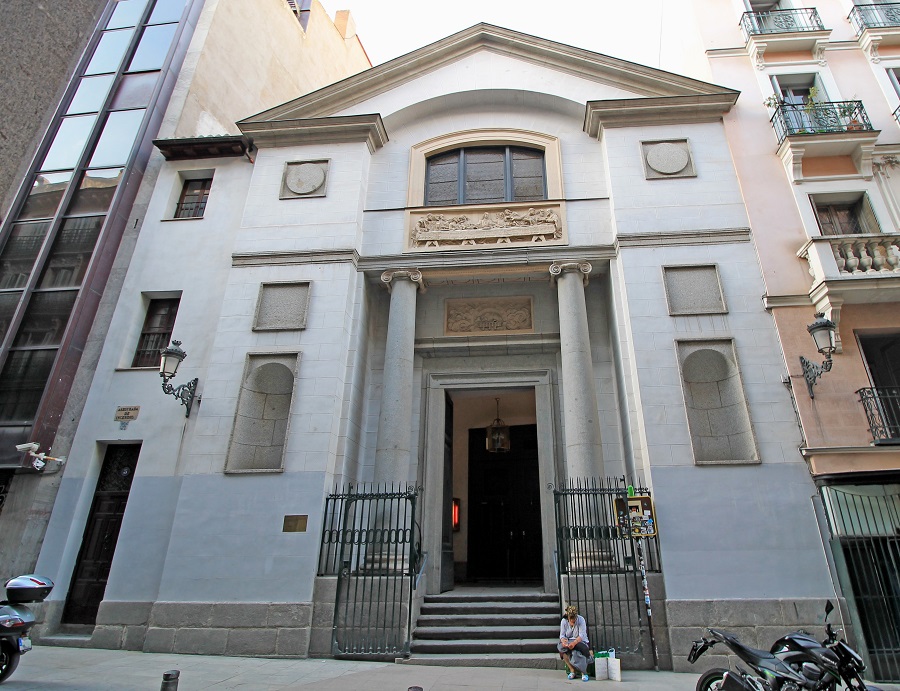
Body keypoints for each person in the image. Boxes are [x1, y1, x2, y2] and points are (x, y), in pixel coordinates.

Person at [558, 604, 591, 681]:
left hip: (580, 641)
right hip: (569, 641)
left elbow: (581, 635)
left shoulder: (581, 620)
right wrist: (564, 641)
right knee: (561, 648)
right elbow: (562, 635)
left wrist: (574, 643)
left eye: (574, 619)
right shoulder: (564, 621)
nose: (573, 621)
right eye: (571, 619)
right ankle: (572, 670)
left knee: (577, 652)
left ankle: (584, 672)